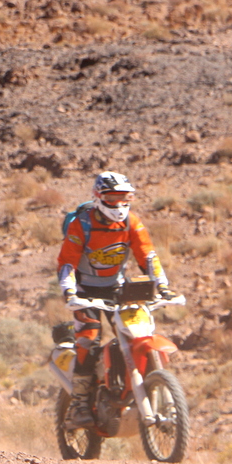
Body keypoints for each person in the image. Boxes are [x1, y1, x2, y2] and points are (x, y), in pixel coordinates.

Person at [57, 171, 175, 429]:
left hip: (116, 287)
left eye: (125, 198)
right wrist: (69, 292)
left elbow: (148, 255)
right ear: (98, 197)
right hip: (84, 290)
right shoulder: (82, 225)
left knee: (136, 332)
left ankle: (129, 385)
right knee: (89, 337)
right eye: (112, 198)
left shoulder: (131, 222)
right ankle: (79, 404)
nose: (119, 204)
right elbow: (66, 262)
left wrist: (163, 286)